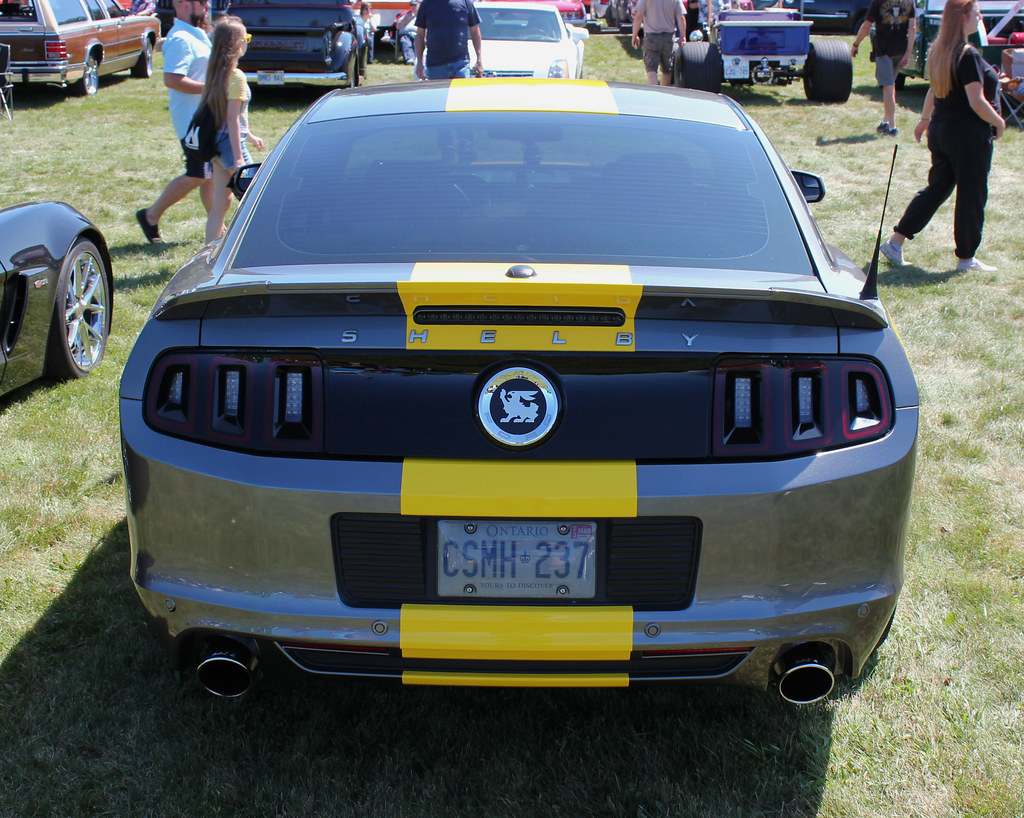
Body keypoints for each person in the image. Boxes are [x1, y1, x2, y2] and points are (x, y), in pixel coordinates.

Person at [879, 0, 1005, 272]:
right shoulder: (967, 54)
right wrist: (999, 122)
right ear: (963, 18)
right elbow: (977, 101)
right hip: (967, 136)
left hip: (942, 131)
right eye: (977, 13)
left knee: (937, 188)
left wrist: (925, 120)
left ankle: (895, 242)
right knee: (972, 194)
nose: (980, 17)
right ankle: (966, 259)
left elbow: (933, 91)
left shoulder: (940, 50)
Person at [136, 0, 213, 244]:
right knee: (198, 174)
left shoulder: (199, 34)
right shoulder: (180, 38)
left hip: (206, 117)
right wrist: (213, 88)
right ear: (185, 5)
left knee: (210, 174)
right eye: (203, 2)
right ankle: (150, 215)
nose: (208, 6)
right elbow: (173, 79)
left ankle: (218, 228)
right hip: (192, 121)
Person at [200, 16, 264, 244]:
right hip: (230, 145)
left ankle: (209, 250)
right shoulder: (236, 76)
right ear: (237, 44)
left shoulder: (215, 73)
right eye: (246, 38)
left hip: (215, 144)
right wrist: (238, 156)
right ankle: (257, 245)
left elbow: (225, 116)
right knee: (255, 199)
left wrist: (251, 135)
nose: (247, 42)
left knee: (221, 202)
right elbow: (232, 119)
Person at [851, 0, 916, 137]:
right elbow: (912, 28)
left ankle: (892, 127)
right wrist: (908, 53)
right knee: (890, 86)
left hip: (884, 49)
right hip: (901, 49)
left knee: (888, 86)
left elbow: (866, 25)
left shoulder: (878, 1)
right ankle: (885, 122)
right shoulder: (909, 1)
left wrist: (856, 43)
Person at [413, 0, 483, 80]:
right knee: (439, 92)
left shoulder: (465, 2)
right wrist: (419, 61)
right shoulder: (426, 4)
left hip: (461, 63)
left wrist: (479, 59)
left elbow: (475, 31)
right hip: (435, 64)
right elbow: (420, 35)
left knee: (461, 92)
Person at [631, 0, 687, 86]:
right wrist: (682, 36)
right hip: (668, 37)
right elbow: (681, 17)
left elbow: (638, 16)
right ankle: (663, 93)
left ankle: (654, 93)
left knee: (651, 69)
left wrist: (635, 35)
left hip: (651, 36)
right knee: (667, 69)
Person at [396, 0, 419, 65]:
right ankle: (410, 59)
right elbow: (398, 27)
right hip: (405, 34)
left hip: (417, 35)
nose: (412, 7)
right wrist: (408, 17)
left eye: (414, 5)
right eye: (411, 5)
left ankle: (417, 59)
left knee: (417, 42)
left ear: (419, 5)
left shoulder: (421, 16)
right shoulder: (406, 15)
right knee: (405, 42)